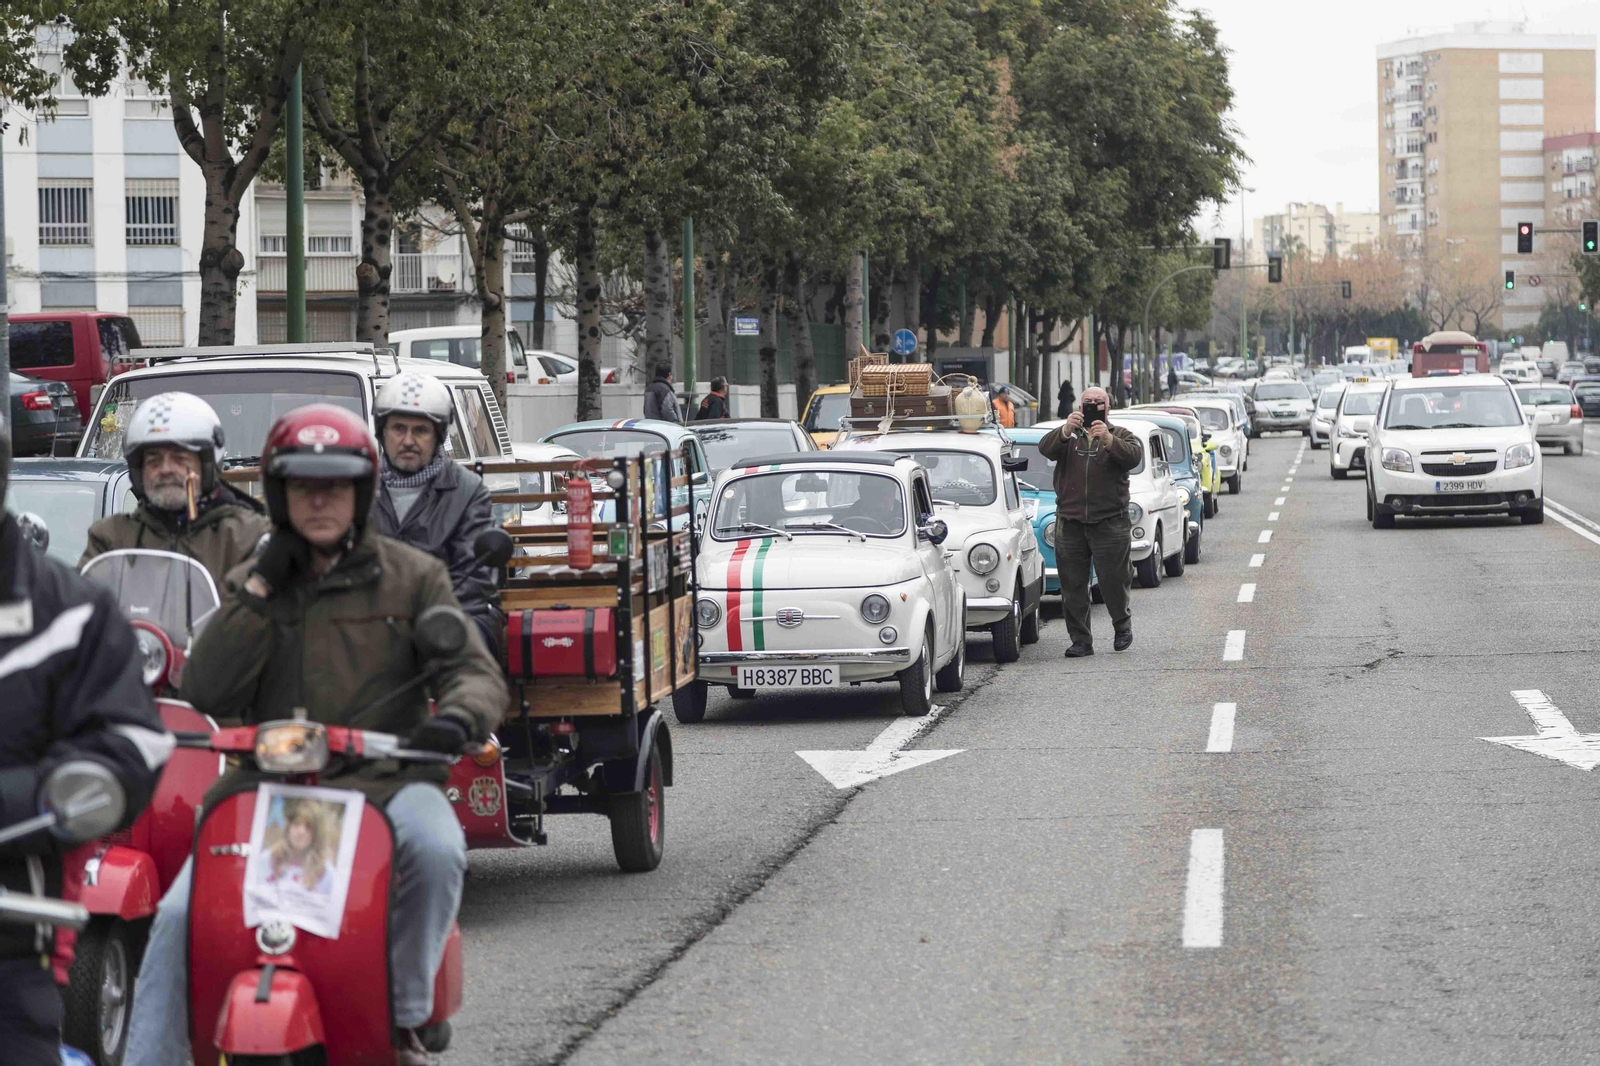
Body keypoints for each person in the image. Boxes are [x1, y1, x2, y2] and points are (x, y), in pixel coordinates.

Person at [124, 404, 508, 1066]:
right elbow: (209, 689)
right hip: (268, 788)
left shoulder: (413, 576)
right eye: (305, 485)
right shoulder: (258, 579)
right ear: (281, 493)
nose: (321, 499)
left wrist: (456, 719)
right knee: (182, 915)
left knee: (439, 847)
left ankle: (406, 1007)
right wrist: (263, 588)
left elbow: (474, 672)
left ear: (363, 492)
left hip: (385, 784)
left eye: (337, 484)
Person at [0, 415, 170, 1065]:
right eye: (153, 456)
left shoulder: (68, 613)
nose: (166, 468)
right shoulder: (110, 538)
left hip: (14, 930)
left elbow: (131, 745)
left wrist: (31, 799)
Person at [370, 372, 503, 651]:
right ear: (382, 432)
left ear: (438, 435)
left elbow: (475, 579)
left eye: (420, 430)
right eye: (398, 428)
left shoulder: (467, 491)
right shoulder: (357, 488)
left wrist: (421, 618)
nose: (408, 440)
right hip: (372, 620)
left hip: (452, 614)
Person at [81, 392, 269, 583]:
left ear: (206, 465)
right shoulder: (111, 538)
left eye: (180, 458)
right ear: (139, 471)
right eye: (154, 460)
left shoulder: (249, 536)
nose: (166, 470)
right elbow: (83, 604)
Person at [1037, 386, 1143, 657]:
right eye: (1088, 402)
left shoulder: (1120, 434)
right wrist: (1063, 431)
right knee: (1072, 584)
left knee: (1114, 580)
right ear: (1079, 406)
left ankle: (1122, 625)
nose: (1093, 405)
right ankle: (1081, 640)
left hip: (1110, 521)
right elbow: (1044, 449)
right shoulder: (1069, 436)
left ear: (1108, 408)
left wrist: (1108, 440)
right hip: (1070, 522)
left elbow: (1133, 457)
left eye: (1099, 402)